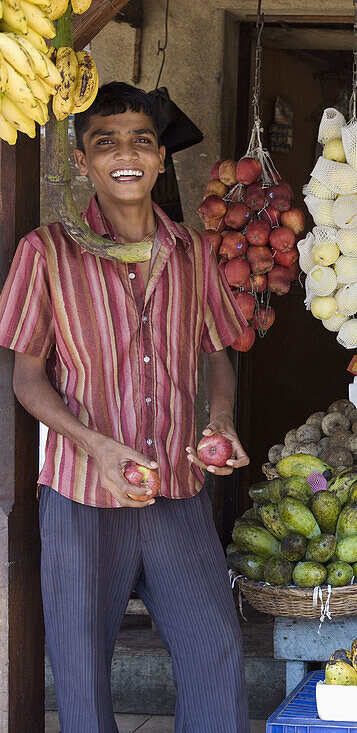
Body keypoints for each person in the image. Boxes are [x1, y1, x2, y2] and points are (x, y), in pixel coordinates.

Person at [0, 82, 250, 731]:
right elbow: (27, 378)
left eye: (142, 140)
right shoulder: (45, 252)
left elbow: (217, 351)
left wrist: (218, 417)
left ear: (162, 156)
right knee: (81, 674)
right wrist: (94, 445)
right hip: (82, 497)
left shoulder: (193, 252)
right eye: (105, 143)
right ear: (83, 161)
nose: (126, 155)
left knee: (217, 648)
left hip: (177, 491)